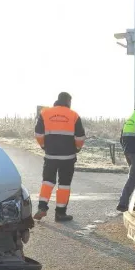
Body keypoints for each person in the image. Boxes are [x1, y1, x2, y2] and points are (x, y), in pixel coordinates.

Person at [34, 92, 85, 222]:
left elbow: (38, 133)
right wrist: (76, 149)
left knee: (47, 181)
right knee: (64, 185)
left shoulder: (45, 113)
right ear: (68, 101)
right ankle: (60, 214)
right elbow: (80, 137)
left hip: (51, 156)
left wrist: (45, 146)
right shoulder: (73, 115)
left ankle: (42, 207)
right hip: (68, 157)